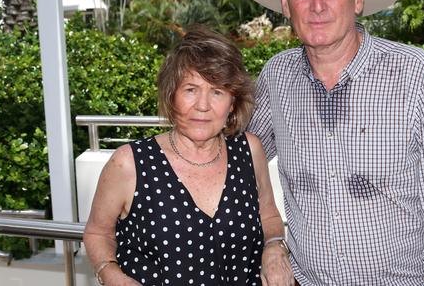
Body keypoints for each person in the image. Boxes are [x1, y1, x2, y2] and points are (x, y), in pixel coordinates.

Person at [236, 0, 424, 285]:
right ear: (286, 3)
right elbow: (237, 162)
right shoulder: (277, 76)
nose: (317, 5)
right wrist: (272, 242)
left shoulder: (411, 73)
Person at [83, 26, 294, 286]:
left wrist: (274, 247)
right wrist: (111, 275)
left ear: (232, 103)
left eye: (217, 91)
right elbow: (97, 232)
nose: (202, 105)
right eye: (191, 89)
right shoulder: (129, 163)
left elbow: (269, 215)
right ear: (172, 96)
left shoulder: (249, 151)